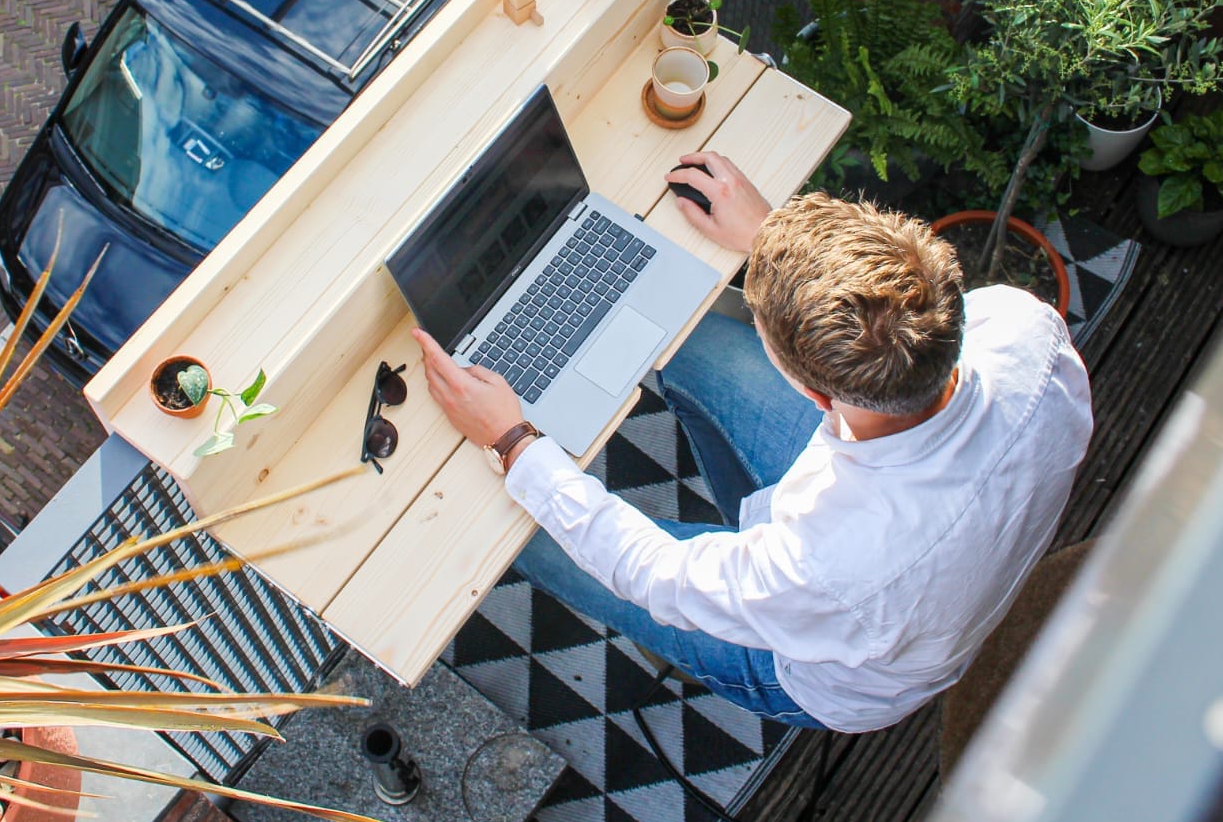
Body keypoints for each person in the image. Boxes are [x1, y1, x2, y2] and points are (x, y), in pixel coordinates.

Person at [410, 150, 1093, 734]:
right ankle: (732, 512)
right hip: (896, 521)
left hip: (819, 668)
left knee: (519, 529)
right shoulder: (1024, 329)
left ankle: (513, 504)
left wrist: (513, 440)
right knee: (676, 327)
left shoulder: (824, 562)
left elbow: (655, 574)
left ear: (817, 395)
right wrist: (781, 244)